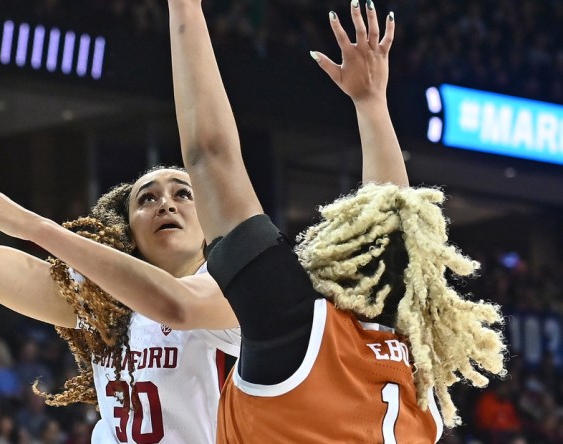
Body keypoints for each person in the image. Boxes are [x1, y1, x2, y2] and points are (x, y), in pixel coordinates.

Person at [0, 24, 240, 444]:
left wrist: (33, 227)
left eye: (183, 193)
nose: (165, 202)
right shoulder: (100, 302)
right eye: (146, 199)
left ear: (208, 218)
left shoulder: (234, 290)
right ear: (126, 229)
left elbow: (176, 306)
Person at [165, 0, 507, 442]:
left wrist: (185, 8)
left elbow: (212, 156)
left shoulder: (302, 332)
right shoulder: (415, 379)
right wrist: (371, 104)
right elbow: (209, 159)